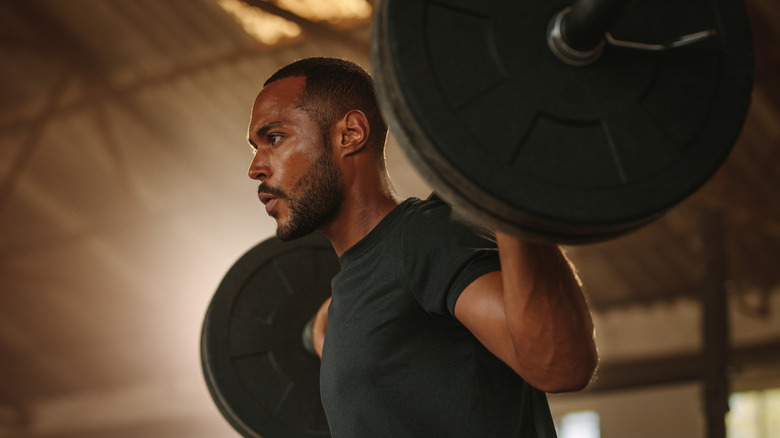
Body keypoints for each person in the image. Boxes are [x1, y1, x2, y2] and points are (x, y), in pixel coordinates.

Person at [247, 57, 597, 437]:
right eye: (255, 148)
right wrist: (331, 332)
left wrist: (506, 187)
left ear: (350, 134)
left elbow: (560, 364)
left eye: (275, 138)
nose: (255, 168)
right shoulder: (356, 286)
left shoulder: (427, 238)